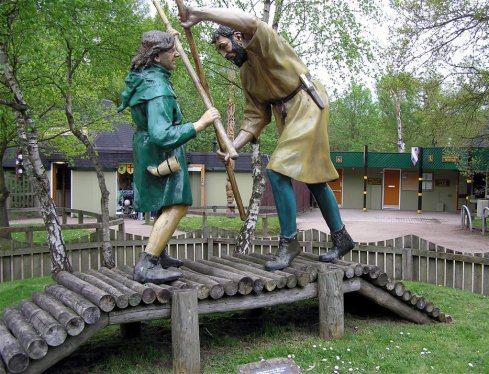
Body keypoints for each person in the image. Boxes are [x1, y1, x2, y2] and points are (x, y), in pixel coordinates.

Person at [181, 7, 355, 271]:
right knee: (314, 178)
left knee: (276, 172)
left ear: (238, 36)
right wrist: (232, 146)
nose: (224, 53)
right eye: (219, 50)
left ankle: (289, 242)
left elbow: (250, 21)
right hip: (287, 113)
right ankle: (341, 238)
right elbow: (255, 118)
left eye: (224, 46)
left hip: (306, 103)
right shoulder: (246, 75)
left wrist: (200, 14)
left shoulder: (265, 43)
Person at [118, 30, 220, 284]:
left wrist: (172, 37)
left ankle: (160, 254)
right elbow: (162, 134)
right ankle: (148, 263)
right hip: (161, 150)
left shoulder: (146, 77)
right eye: (171, 50)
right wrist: (199, 124)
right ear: (156, 56)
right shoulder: (158, 88)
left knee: (165, 203)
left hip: (147, 148)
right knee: (177, 204)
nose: (176, 54)